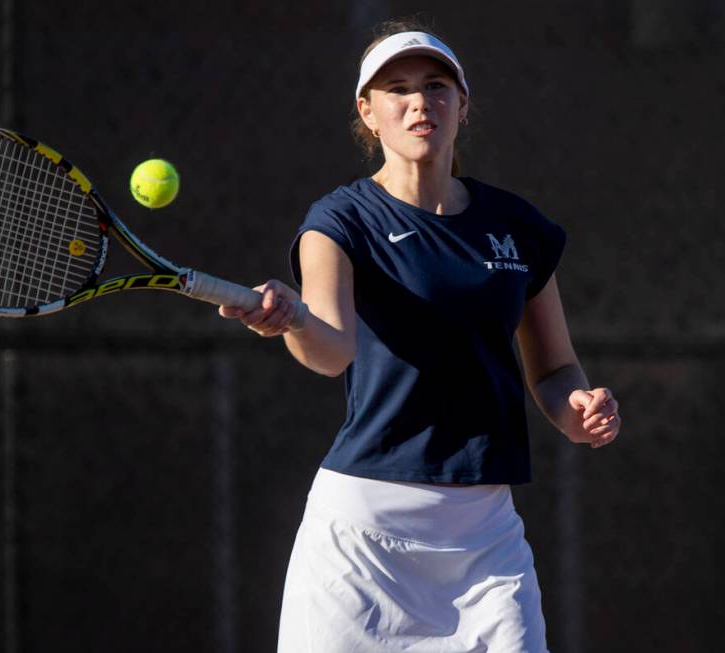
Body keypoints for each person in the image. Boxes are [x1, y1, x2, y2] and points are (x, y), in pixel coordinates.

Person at [218, 19, 621, 653]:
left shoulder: (516, 226)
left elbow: (554, 369)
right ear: (368, 113)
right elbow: (331, 349)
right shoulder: (340, 220)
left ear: (462, 103)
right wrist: (292, 319)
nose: (418, 102)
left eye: (435, 86)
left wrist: (575, 410)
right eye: (396, 89)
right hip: (361, 539)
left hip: (486, 538)